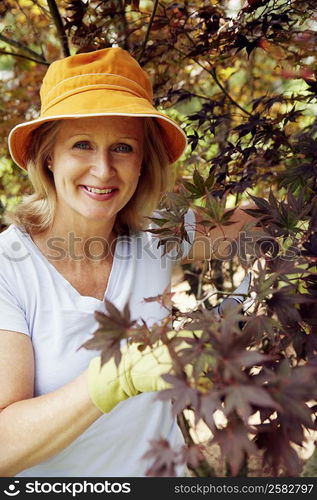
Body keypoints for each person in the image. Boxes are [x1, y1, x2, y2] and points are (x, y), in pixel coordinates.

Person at [0, 47, 255, 477]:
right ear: (47, 156)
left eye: (122, 147)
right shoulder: (10, 267)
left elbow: (245, 229)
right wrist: (111, 380)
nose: (103, 170)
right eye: (82, 145)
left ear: (142, 162)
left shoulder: (154, 232)